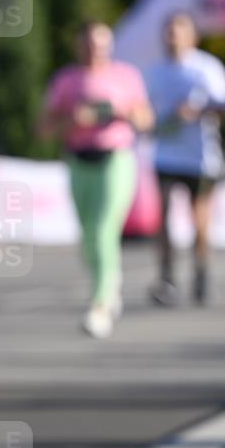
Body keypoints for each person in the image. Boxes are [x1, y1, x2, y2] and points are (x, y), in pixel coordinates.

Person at [38, 22, 154, 339]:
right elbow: (44, 127)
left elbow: (146, 119)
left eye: (101, 43)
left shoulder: (126, 76)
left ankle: (100, 305)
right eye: (89, 43)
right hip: (79, 159)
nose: (95, 50)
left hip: (115, 159)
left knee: (105, 228)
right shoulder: (66, 80)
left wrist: (121, 113)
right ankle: (110, 283)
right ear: (79, 45)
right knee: (89, 237)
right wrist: (71, 119)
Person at [147, 12, 225, 306]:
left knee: (199, 220)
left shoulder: (206, 68)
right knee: (163, 219)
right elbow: (143, 110)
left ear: (192, 36)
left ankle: (201, 272)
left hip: (201, 157)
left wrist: (199, 109)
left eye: (179, 31)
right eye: (168, 31)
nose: (173, 37)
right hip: (164, 153)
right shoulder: (154, 71)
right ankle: (166, 277)